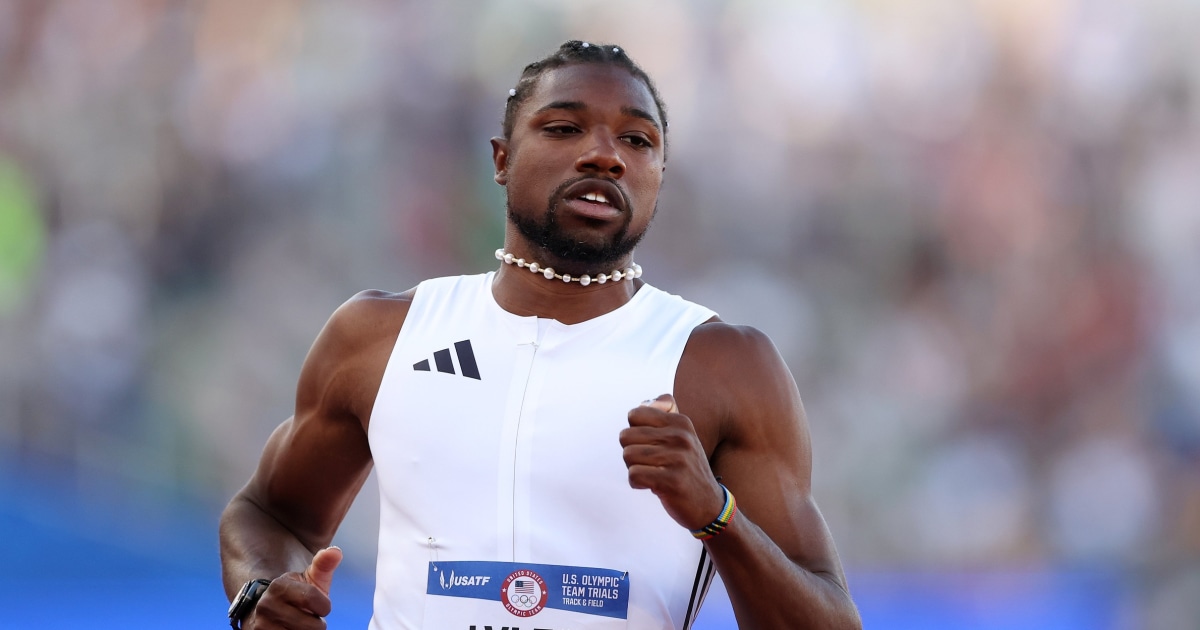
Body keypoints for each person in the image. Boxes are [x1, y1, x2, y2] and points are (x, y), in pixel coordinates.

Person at [220, 40, 861, 630]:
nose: (604, 154)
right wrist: (260, 595)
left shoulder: (722, 364)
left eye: (638, 141)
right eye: (563, 127)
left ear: (659, 178)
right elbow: (268, 515)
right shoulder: (381, 335)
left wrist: (715, 512)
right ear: (502, 159)